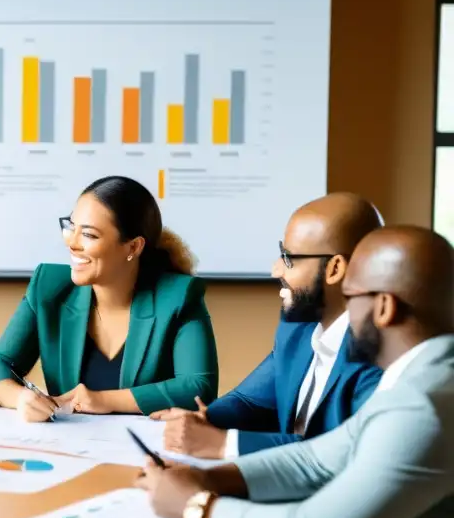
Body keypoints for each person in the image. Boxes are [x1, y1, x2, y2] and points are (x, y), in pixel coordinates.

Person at [137, 225, 454, 518]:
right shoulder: (422, 375)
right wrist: (211, 479)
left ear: (383, 307)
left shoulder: (425, 405)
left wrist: (194, 507)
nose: (343, 310)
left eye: (351, 297)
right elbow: (319, 459)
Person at [152, 192, 383, 459]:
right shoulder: (297, 327)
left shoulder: (378, 354)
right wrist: (204, 420)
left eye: (288, 259)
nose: (276, 270)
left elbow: (343, 452)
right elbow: (249, 401)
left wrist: (223, 444)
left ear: (334, 269)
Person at [0, 175, 218, 421]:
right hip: (69, 451)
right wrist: (19, 398)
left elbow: (199, 387)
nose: (72, 243)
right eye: (71, 227)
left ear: (133, 247)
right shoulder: (48, 286)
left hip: (148, 453)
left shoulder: (179, 296)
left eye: (89, 235)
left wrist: (100, 399)